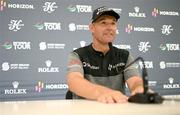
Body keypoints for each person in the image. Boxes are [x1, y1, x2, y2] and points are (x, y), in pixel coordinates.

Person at [66, 6, 144, 103]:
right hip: (85, 110)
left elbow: (135, 80)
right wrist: (103, 92)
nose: (109, 27)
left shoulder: (125, 55)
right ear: (92, 28)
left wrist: (139, 89)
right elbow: (74, 82)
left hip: (116, 109)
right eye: (103, 23)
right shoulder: (78, 55)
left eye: (113, 23)